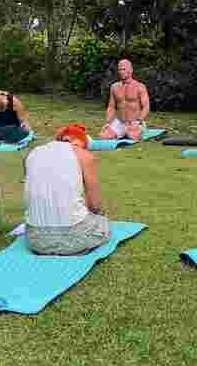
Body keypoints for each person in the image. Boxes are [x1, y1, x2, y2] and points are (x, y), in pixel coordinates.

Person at [23, 123, 110, 255]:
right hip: (76, 239)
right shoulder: (84, 156)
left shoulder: (31, 154)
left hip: (35, 240)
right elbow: (95, 205)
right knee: (103, 222)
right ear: (78, 142)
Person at [99, 59, 150, 141]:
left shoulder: (140, 86)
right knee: (103, 136)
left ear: (131, 70)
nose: (121, 72)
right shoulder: (114, 87)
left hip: (134, 122)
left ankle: (128, 132)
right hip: (120, 122)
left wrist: (138, 121)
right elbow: (111, 107)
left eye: (124, 69)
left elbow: (146, 107)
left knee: (132, 136)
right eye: (120, 69)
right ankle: (122, 132)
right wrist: (108, 122)